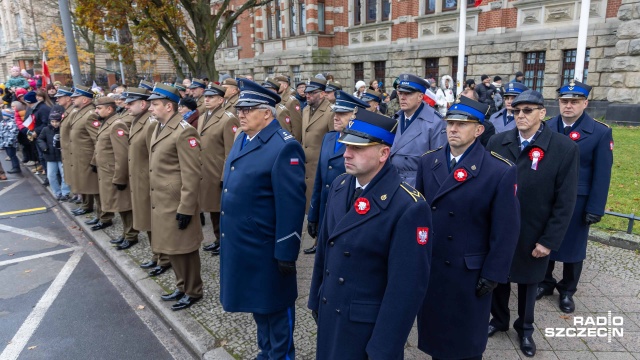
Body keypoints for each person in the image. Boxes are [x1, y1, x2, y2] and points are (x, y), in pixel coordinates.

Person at [308, 109, 432, 360]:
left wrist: (384, 347)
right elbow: (325, 249)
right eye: (346, 145)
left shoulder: (408, 206)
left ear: (383, 153)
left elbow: (406, 289)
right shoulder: (341, 186)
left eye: (358, 148)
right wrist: (316, 299)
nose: (347, 153)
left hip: (366, 330)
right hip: (332, 313)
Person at [416, 96, 520, 360]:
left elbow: (506, 228)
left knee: (466, 346)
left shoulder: (498, 170)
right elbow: (417, 217)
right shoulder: (429, 162)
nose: (453, 129)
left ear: (479, 130)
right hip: (434, 266)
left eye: (462, 124)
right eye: (450, 122)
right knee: (436, 341)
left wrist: (493, 272)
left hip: (469, 272)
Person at [486, 90, 579, 358]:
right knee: (498, 277)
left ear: (542, 113)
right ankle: (499, 319)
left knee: (528, 283)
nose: (520, 115)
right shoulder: (497, 142)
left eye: (527, 110)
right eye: (516, 111)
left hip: (534, 230)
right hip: (500, 227)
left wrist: (549, 240)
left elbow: (565, 201)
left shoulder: (563, 148)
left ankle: (525, 328)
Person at [220, 78, 305, 360]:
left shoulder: (284, 147)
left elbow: (291, 205)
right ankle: (266, 353)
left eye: (248, 109)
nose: (241, 113)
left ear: (267, 113)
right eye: (240, 108)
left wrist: (286, 251)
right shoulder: (243, 137)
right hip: (246, 243)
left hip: (268, 246)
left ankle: (280, 356)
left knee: (276, 310)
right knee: (260, 307)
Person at [538, 80, 613, 313]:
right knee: (544, 239)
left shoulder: (599, 132)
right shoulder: (547, 126)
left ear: (585, 103)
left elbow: (602, 174)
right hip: (547, 197)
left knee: (573, 247)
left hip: (578, 201)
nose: (568, 106)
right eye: (564, 101)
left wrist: (595, 208)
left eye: (574, 101)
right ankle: (545, 281)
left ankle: (568, 290)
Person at [148, 83, 204, 311]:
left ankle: (193, 290)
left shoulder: (184, 131)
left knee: (185, 248)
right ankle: (182, 286)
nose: (151, 108)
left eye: (155, 104)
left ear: (168, 106)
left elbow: (192, 173)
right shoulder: (159, 127)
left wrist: (186, 207)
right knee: (172, 247)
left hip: (177, 201)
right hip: (163, 200)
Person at [304, 90, 369, 255]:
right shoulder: (329, 138)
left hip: (346, 213)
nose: (336, 117)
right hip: (326, 211)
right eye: (335, 113)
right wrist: (313, 216)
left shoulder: (363, 144)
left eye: (342, 113)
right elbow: (319, 180)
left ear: (355, 115)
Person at [124, 88, 171, 276]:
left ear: (141, 104)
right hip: (140, 178)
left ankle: (164, 258)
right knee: (147, 220)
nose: (126, 106)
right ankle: (157, 255)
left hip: (148, 179)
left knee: (154, 220)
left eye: (130, 103)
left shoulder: (150, 123)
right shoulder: (137, 121)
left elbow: (154, 154)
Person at [90, 96, 139, 248]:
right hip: (107, 172)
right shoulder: (107, 122)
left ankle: (131, 235)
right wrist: (94, 161)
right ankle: (126, 233)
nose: (96, 111)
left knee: (124, 205)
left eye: (99, 108)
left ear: (109, 109)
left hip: (115, 173)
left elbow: (122, 154)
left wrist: (120, 177)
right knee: (119, 205)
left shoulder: (117, 125)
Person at [197, 83, 239, 256]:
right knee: (212, 209)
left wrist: (225, 176)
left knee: (222, 210)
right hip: (206, 171)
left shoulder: (228, 118)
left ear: (221, 100)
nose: (206, 99)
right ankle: (217, 239)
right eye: (206, 96)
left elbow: (231, 151)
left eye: (211, 97)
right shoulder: (202, 117)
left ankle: (226, 241)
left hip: (218, 172)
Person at [68, 85, 115, 233]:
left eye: (75, 97)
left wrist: (95, 159)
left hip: (89, 158)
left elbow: (98, 140)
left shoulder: (90, 114)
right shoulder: (80, 112)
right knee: (91, 188)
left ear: (85, 99)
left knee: (97, 189)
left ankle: (104, 217)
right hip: (82, 158)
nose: (72, 99)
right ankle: (99, 215)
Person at [390, 73, 447, 187]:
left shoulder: (435, 123)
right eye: (400, 93)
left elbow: (438, 165)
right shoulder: (395, 119)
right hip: (392, 182)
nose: (402, 97)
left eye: (408, 93)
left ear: (420, 97)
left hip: (418, 185)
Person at [302, 78, 334, 208]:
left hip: (320, 170)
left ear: (322, 94)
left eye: (312, 93)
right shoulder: (305, 110)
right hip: (305, 169)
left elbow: (334, 145)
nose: (307, 96)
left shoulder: (331, 112)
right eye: (306, 93)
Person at [36, 105, 71, 201]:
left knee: (64, 175)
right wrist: (44, 148)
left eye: (57, 121)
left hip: (61, 155)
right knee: (51, 176)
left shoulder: (63, 129)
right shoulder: (46, 129)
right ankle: (57, 192)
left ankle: (65, 192)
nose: (54, 124)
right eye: (52, 122)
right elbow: (40, 139)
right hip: (50, 156)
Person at [55, 86, 76, 200]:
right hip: (67, 148)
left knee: (76, 175)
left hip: (72, 149)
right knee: (70, 174)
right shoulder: (67, 111)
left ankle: (80, 197)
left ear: (68, 98)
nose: (57, 100)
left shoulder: (72, 111)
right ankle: (78, 195)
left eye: (60, 97)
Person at [275, 75, 303, 142]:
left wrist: (295, 143)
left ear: (285, 86)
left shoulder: (291, 101)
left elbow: (297, 126)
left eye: (279, 84)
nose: (276, 87)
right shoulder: (278, 98)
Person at [1, 109, 20, 174]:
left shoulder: (12, 122)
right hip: (5, 142)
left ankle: (16, 167)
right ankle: (14, 167)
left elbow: (13, 133)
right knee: (9, 155)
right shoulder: (2, 122)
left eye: (5, 115)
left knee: (12, 155)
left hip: (10, 143)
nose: (3, 116)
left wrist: (10, 141)